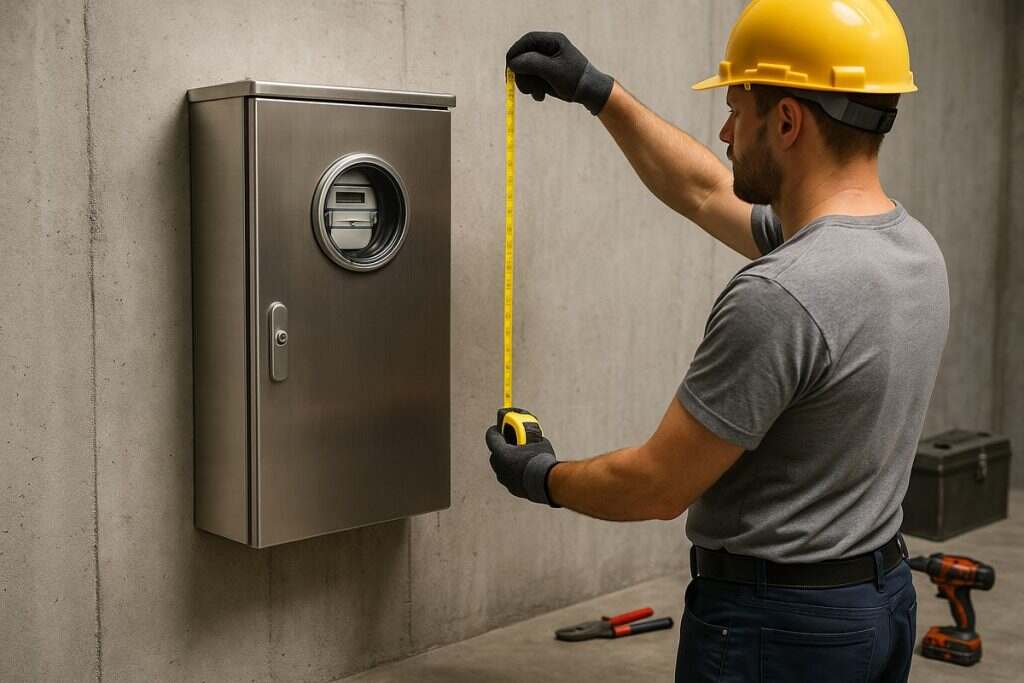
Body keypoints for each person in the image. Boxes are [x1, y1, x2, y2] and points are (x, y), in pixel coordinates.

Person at [485, 0, 949, 680]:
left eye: (738, 108)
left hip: (777, 627)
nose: (727, 130)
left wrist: (541, 476)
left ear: (787, 121)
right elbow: (705, 190)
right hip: (877, 601)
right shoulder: (912, 250)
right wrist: (597, 90)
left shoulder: (782, 293)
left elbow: (656, 485)